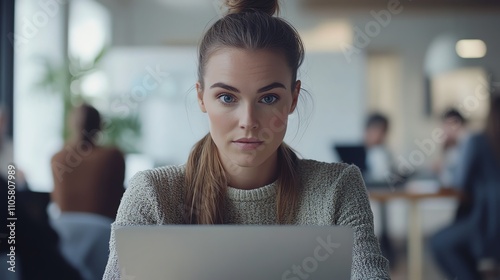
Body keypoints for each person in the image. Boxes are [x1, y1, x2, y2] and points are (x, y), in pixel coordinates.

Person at [103, 1, 390, 279]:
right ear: (202, 98)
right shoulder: (154, 196)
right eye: (227, 97)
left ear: (293, 99)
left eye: (268, 98)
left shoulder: (337, 190)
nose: (248, 120)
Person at [431, 95, 500, 279]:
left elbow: (460, 184)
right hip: (490, 220)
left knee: (438, 243)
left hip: (489, 222)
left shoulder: (477, 140)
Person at [50, 104, 125, 220]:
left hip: (65, 229)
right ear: (100, 125)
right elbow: (119, 197)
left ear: (72, 125)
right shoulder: (113, 156)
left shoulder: (57, 158)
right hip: (103, 230)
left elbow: (56, 199)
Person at [433, 108, 468, 187]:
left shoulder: (466, 145)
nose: (444, 130)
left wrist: (441, 170)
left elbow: (455, 182)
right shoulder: (450, 147)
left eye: (448, 125)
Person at [363, 113, 394, 184]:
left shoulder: (382, 153)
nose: (380, 136)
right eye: (376, 131)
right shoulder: (355, 153)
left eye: (383, 132)